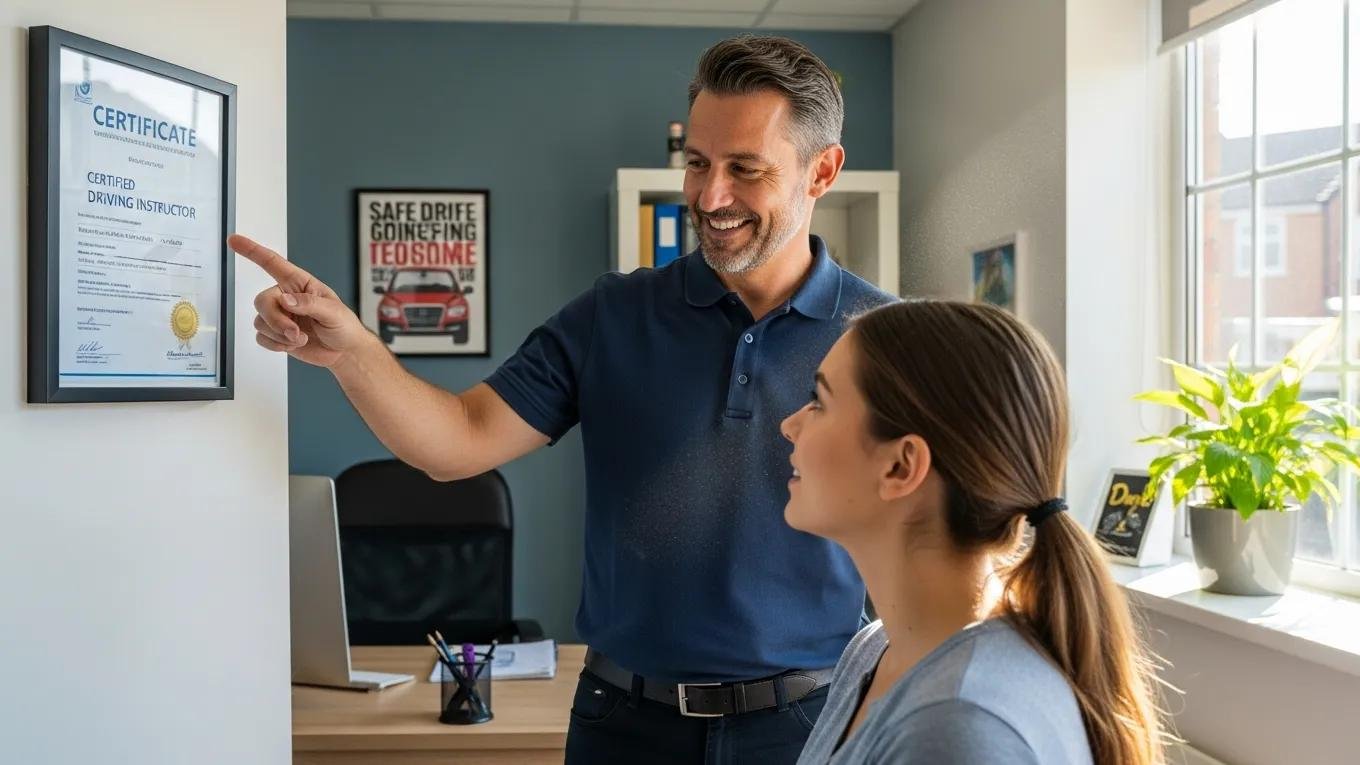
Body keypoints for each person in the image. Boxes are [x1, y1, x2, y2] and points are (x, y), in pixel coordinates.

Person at [232, 35, 895, 763]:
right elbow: (458, 440)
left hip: (809, 729)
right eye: (698, 163)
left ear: (821, 171)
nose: (710, 197)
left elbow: (945, 540)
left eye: (746, 169)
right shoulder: (614, 314)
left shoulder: (889, 338)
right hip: (624, 725)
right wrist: (350, 351)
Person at [783, 300, 1168, 765]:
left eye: (819, 402)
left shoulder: (958, 728)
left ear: (901, 466)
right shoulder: (876, 648)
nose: (789, 425)